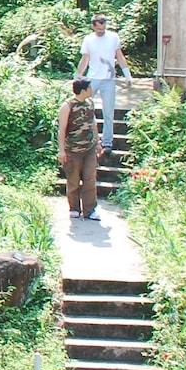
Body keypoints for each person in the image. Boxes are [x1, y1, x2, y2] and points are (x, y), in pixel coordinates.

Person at [74, 14, 131, 155]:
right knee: (85, 108)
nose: (101, 30)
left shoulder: (113, 37)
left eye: (103, 27)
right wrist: (78, 76)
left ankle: (107, 143)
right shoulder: (88, 39)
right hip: (92, 78)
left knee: (108, 112)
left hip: (109, 79)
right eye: (99, 29)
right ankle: (88, 138)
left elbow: (119, 56)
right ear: (93, 26)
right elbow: (85, 59)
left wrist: (127, 74)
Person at [58, 77, 101, 221]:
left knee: (90, 179)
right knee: (73, 180)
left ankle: (90, 210)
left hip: (89, 148)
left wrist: (98, 141)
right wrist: (61, 150)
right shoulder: (67, 106)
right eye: (89, 87)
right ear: (83, 90)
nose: (92, 90)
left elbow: (92, 122)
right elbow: (62, 129)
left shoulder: (90, 103)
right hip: (72, 150)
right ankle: (74, 208)